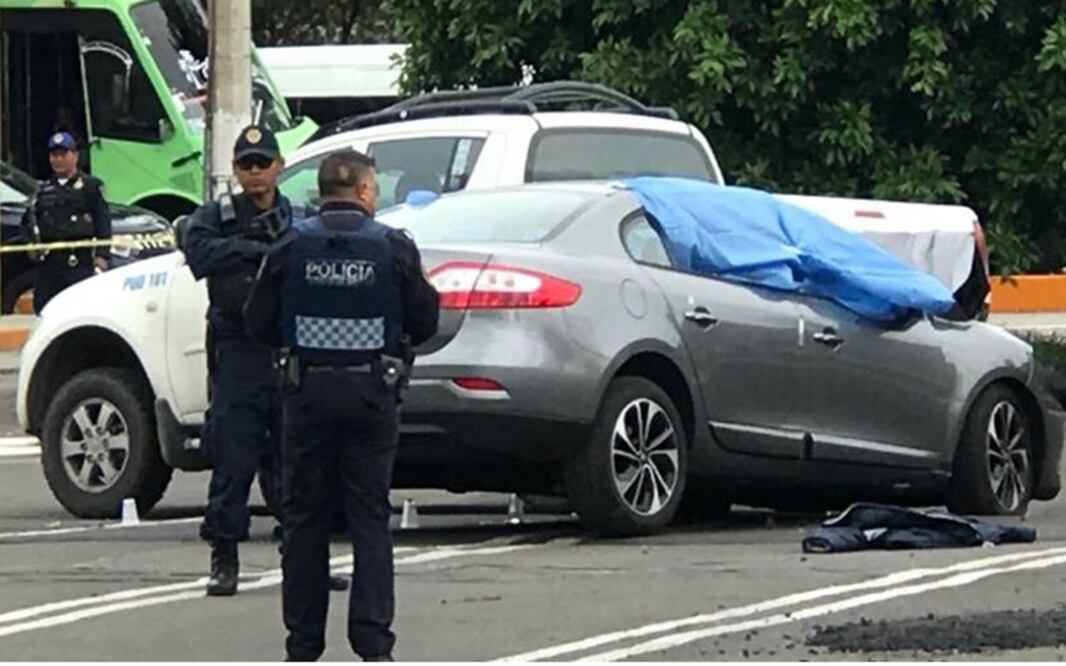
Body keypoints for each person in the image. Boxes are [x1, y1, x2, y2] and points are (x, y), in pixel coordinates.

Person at [244, 148, 439, 661]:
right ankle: (374, 643)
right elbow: (426, 319)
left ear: (322, 191)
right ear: (366, 192)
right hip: (372, 396)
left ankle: (303, 645)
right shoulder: (393, 248)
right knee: (369, 518)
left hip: (306, 396)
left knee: (304, 519)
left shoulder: (290, 246)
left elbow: (258, 320)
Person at [183, 124, 348, 597]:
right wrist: (250, 248)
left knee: (297, 463)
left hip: (287, 349)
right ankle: (225, 556)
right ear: (235, 171)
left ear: (278, 167)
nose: (255, 172)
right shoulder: (217, 218)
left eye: (263, 162)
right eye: (246, 164)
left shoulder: (297, 218)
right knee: (233, 458)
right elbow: (197, 254)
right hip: (238, 352)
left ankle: (306, 557)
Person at [21, 132, 111, 313]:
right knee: (46, 311)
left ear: (75, 156)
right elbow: (27, 222)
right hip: (50, 264)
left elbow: (103, 222)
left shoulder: (90, 187)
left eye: (64, 154)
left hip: (79, 262)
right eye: (54, 155)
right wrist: (31, 246)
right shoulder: (42, 190)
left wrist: (102, 256)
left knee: (81, 311)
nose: (59, 160)